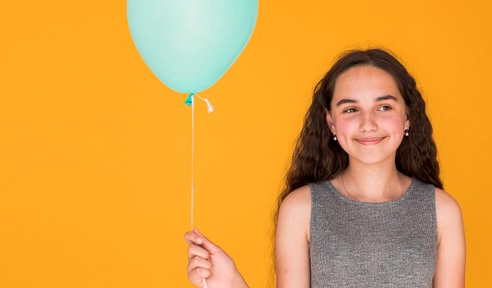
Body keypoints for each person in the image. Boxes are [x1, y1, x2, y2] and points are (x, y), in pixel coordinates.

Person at [184, 48, 465, 287]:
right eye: (350, 109)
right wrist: (233, 283)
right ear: (331, 122)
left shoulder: (442, 211)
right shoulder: (301, 208)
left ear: (407, 117)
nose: (368, 123)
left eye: (384, 107)